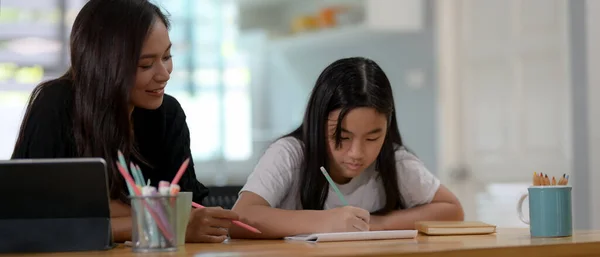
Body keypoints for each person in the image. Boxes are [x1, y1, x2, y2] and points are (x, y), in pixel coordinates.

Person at [12, 0, 237, 243]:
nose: (164, 74)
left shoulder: (167, 114)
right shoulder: (56, 104)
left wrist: (117, 214)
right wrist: (163, 223)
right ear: (105, 65)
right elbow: (35, 219)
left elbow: (189, 208)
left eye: (167, 56)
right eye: (146, 65)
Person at [229, 57, 464, 239]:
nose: (357, 153)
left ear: (388, 127)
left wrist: (374, 223)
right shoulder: (290, 154)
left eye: (373, 138)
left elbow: (452, 210)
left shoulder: (393, 160)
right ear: (317, 122)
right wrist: (326, 222)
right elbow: (240, 218)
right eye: (341, 136)